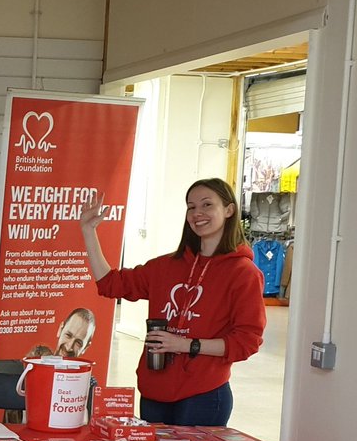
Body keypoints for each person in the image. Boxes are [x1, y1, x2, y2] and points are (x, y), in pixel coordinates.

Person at [79, 178, 265, 426]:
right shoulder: (166, 266)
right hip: (154, 391)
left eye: (207, 205)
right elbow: (111, 284)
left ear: (229, 210)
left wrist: (187, 344)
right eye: (191, 207)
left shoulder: (244, 273)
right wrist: (88, 231)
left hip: (204, 395)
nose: (197, 213)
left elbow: (247, 342)